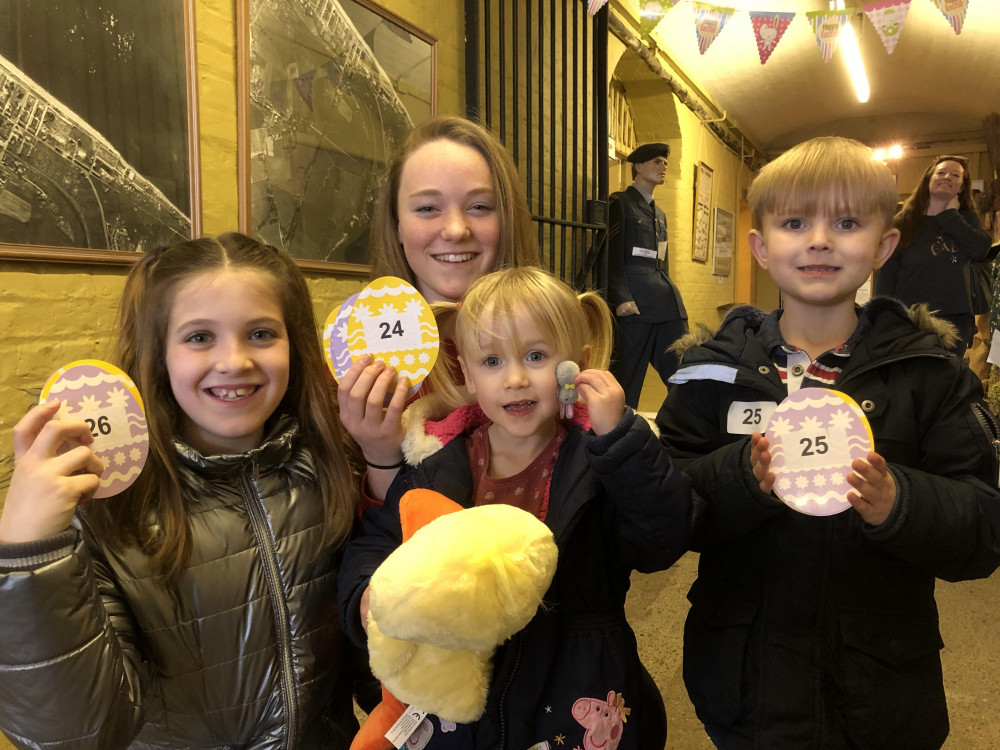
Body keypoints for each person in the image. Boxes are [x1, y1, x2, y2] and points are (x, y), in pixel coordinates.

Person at [656, 137, 1000, 749]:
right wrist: (740, 476)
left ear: (884, 245)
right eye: (794, 222)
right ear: (761, 247)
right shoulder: (712, 373)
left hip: (882, 680)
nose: (820, 239)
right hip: (743, 675)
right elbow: (665, 512)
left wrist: (903, 501)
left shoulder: (929, 374)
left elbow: (984, 525)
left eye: (846, 222)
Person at [0, 233, 360, 748]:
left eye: (261, 333)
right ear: (158, 354)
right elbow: (73, 736)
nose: (234, 361)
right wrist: (31, 557)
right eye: (198, 338)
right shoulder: (108, 508)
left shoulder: (329, 465)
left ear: (295, 344)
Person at [338, 266, 693, 748]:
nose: (515, 378)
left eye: (536, 355)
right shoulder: (437, 463)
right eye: (491, 361)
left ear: (578, 365)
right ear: (465, 371)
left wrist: (624, 443)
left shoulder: (599, 459)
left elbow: (662, 541)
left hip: (576, 684)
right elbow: (384, 539)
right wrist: (366, 596)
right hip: (464, 697)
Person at [339, 115, 540, 503]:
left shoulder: (551, 336)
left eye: (479, 206)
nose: (455, 229)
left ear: (507, 219)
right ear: (397, 226)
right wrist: (381, 455)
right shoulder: (355, 356)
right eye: (428, 208)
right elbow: (369, 540)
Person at [873, 154, 992, 354]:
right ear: (929, 179)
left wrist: (949, 216)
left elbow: (981, 249)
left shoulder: (965, 218)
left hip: (956, 319)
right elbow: (885, 274)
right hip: (910, 318)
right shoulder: (902, 222)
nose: (947, 177)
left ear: (962, 187)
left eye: (955, 175)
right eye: (941, 172)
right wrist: (880, 318)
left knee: (947, 380)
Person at [606, 142, 688, 408]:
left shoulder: (660, 215)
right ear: (638, 166)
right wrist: (621, 297)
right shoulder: (621, 203)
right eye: (656, 161)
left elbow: (661, 261)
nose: (663, 166)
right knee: (627, 378)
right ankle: (618, 434)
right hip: (635, 305)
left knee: (682, 373)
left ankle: (686, 426)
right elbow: (613, 254)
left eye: (665, 163)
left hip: (665, 303)